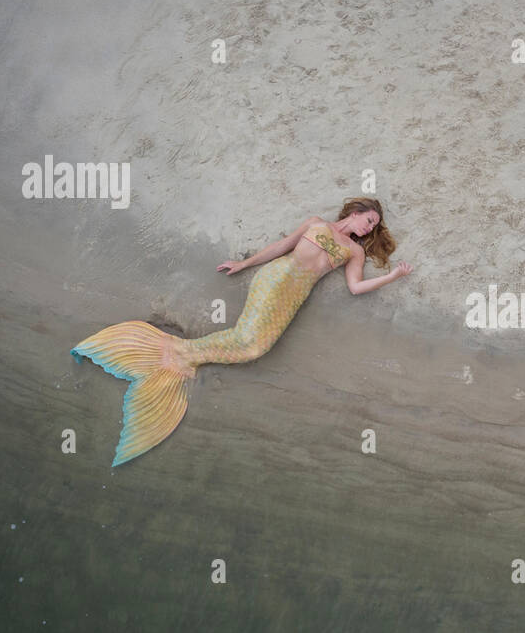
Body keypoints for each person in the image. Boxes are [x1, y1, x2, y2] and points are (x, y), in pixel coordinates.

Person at [70, 197, 411, 465]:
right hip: (276, 278)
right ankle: (176, 354)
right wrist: (245, 264)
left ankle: (180, 355)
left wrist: (392, 277)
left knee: (255, 347)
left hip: (297, 293)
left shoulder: (353, 252)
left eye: (374, 227)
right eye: (369, 221)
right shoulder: (315, 223)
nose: (369, 229)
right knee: (249, 341)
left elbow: (355, 287)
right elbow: (282, 246)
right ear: (356, 211)